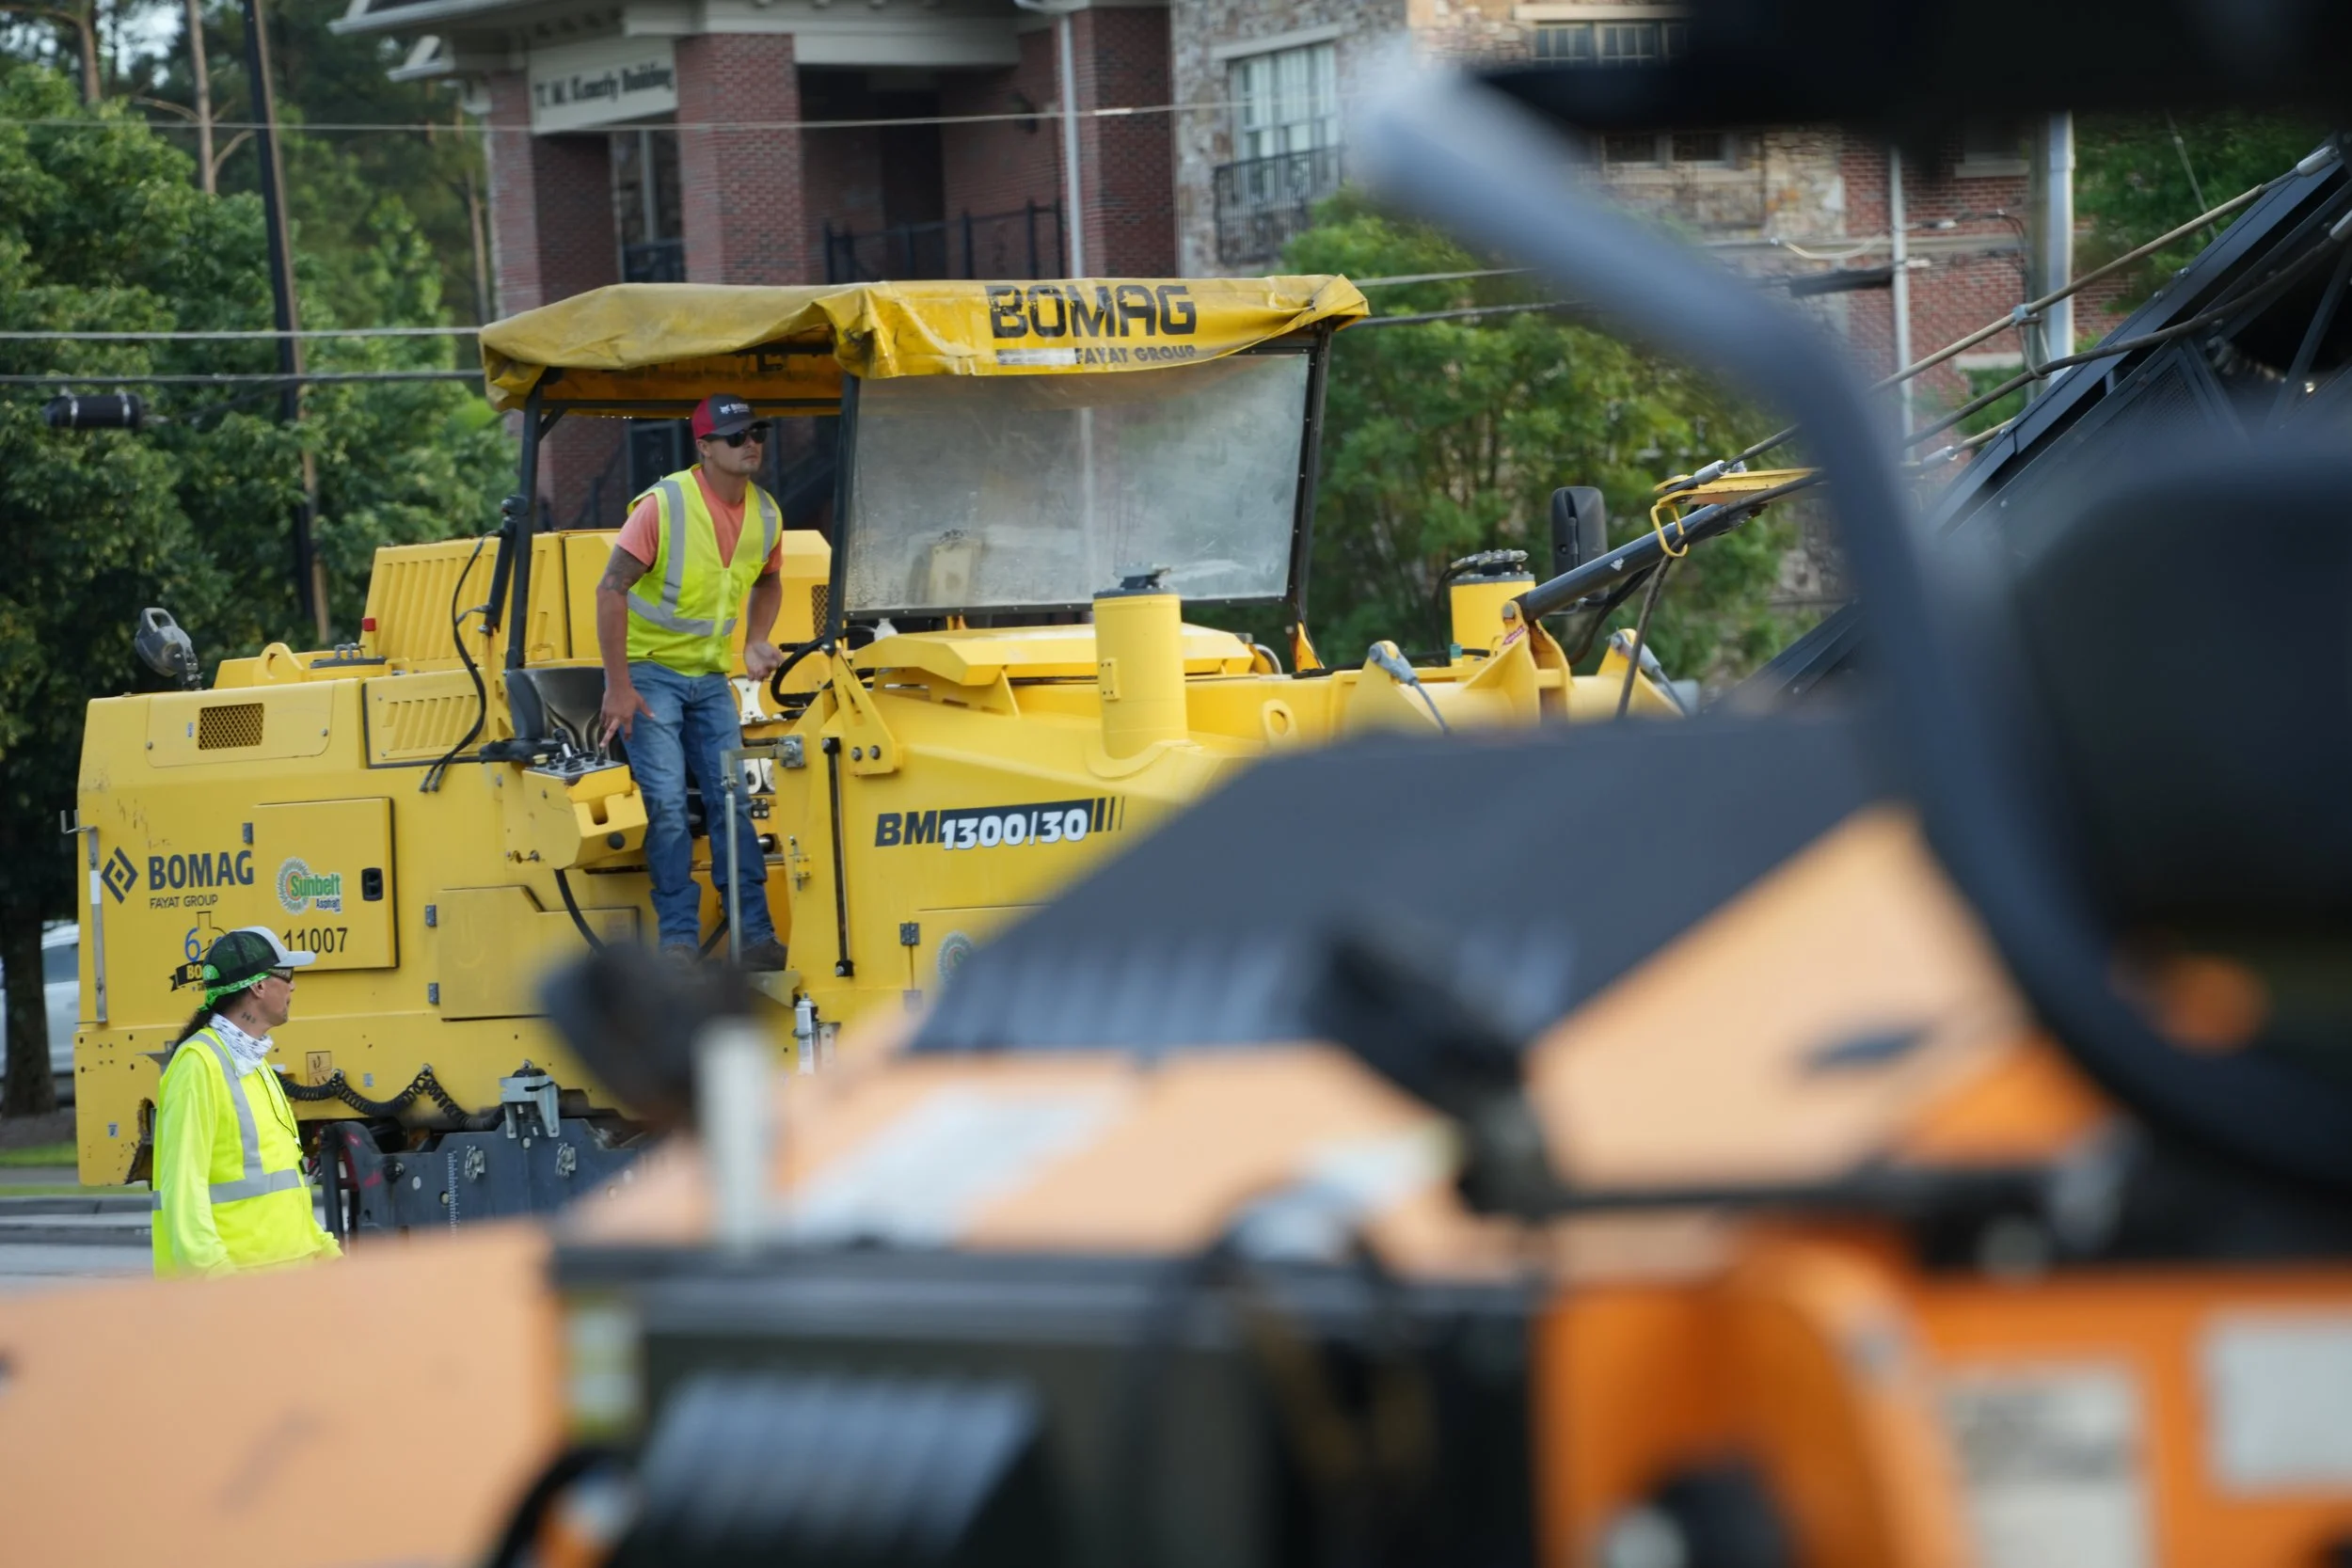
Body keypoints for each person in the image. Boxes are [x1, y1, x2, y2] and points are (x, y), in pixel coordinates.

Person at [596, 391, 791, 969]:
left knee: (735, 803)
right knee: (668, 808)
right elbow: (611, 589)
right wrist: (617, 686)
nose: (750, 443)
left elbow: (770, 579)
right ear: (704, 448)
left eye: (757, 432)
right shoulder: (664, 505)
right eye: (736, 437)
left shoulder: (767, 514)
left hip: (709, 678)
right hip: (649, 675)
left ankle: (753, 937)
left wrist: (756, 637)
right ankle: (677, 943)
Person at [153, 927, 342, 1277]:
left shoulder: (253, 1064)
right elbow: (183, 1189)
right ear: (258, 986)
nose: (293, 986)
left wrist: (325, 1252)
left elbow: (282, 1187)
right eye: (286, 975)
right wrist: (217, 1278)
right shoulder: (198, 1065)